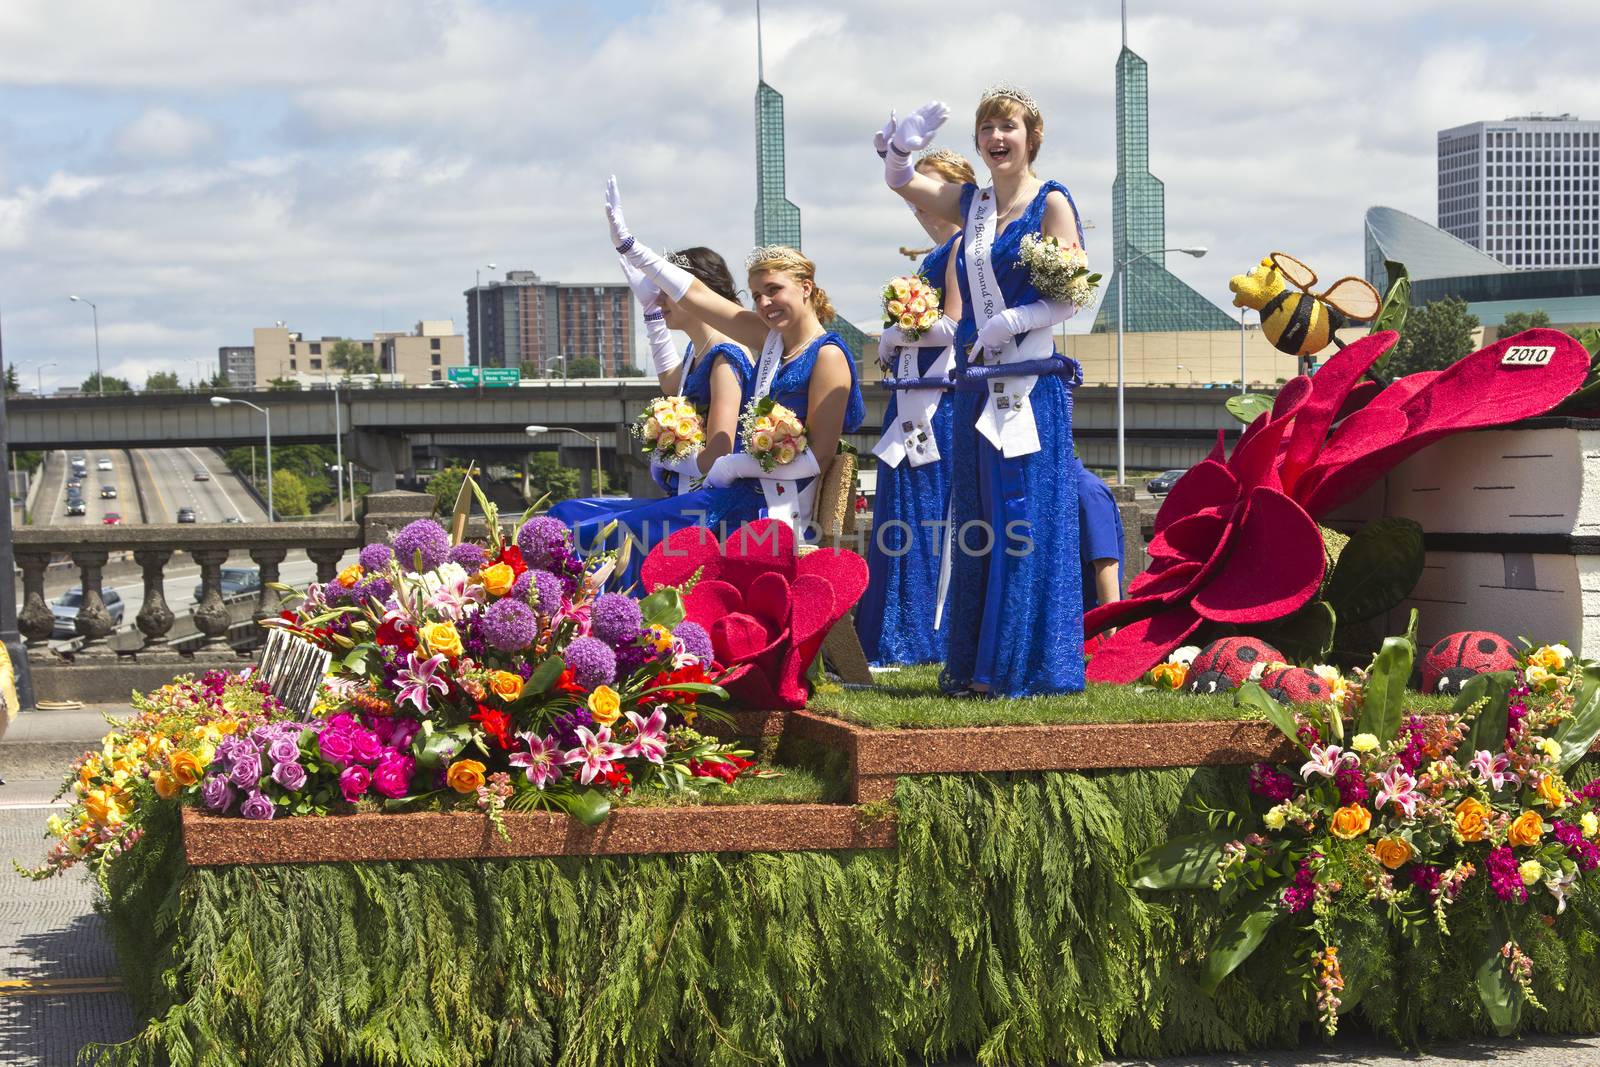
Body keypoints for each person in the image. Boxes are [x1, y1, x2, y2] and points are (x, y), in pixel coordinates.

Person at [880, 87, 1087, 697]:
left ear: (1033, 137)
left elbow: (1073, 295)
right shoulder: (970, 204)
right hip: (975, 384)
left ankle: (1020, 663)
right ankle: (975, 663)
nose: (997, 138)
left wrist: (1014, 320)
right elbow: (901, 181)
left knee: (1020, 515)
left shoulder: (1051, 203)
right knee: (979, 519)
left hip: (1026, 385)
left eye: (1009, 127)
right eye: (987, 128)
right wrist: (900, 149)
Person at [558, 177, 863, 567]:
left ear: (806, 288)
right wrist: (632, 250)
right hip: (739, 494)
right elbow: (700, 297)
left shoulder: (828, 355)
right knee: (573, 514)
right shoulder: (770, 339)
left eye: (773, 290)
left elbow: (818, 455)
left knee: (598, 533)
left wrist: (734, 464)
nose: (764, 302)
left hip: (765, 507)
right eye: (756, 295)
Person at [856, 147, 974, 667]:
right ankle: (893, 633)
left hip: (936, 406)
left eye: (930, 190)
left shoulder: (959, 249)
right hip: (909, 400)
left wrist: (900, 329)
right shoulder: (934, 254)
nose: (920, 204)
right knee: (900, 512)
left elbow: (955, 325)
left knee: (926, 516)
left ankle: (922, 635)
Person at [549, 248, 754, 532]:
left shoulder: (726, 357)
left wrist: (669, 457)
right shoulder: (698, 350)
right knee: (566, 512)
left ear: (695, 292)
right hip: (692, 497)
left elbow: (718, 454)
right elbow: (672, 382)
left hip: (718, 505)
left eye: (665, 291)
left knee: (585, 530)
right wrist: (651, 316)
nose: (658, 299)